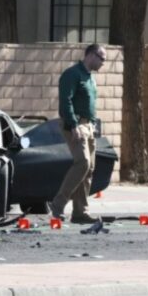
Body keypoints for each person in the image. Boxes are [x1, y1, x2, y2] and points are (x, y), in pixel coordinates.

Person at [49, 43, 107, 224]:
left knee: (89, 169)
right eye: (101, 58)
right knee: (82, 163)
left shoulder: (90, 77)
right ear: (90, 55)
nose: (103, 63)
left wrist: (93, 126)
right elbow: (65, 102)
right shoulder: (72, 74)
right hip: (75, 125)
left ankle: (80, 212)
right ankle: (58, 204)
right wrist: (73, 125)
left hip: (89, 125)